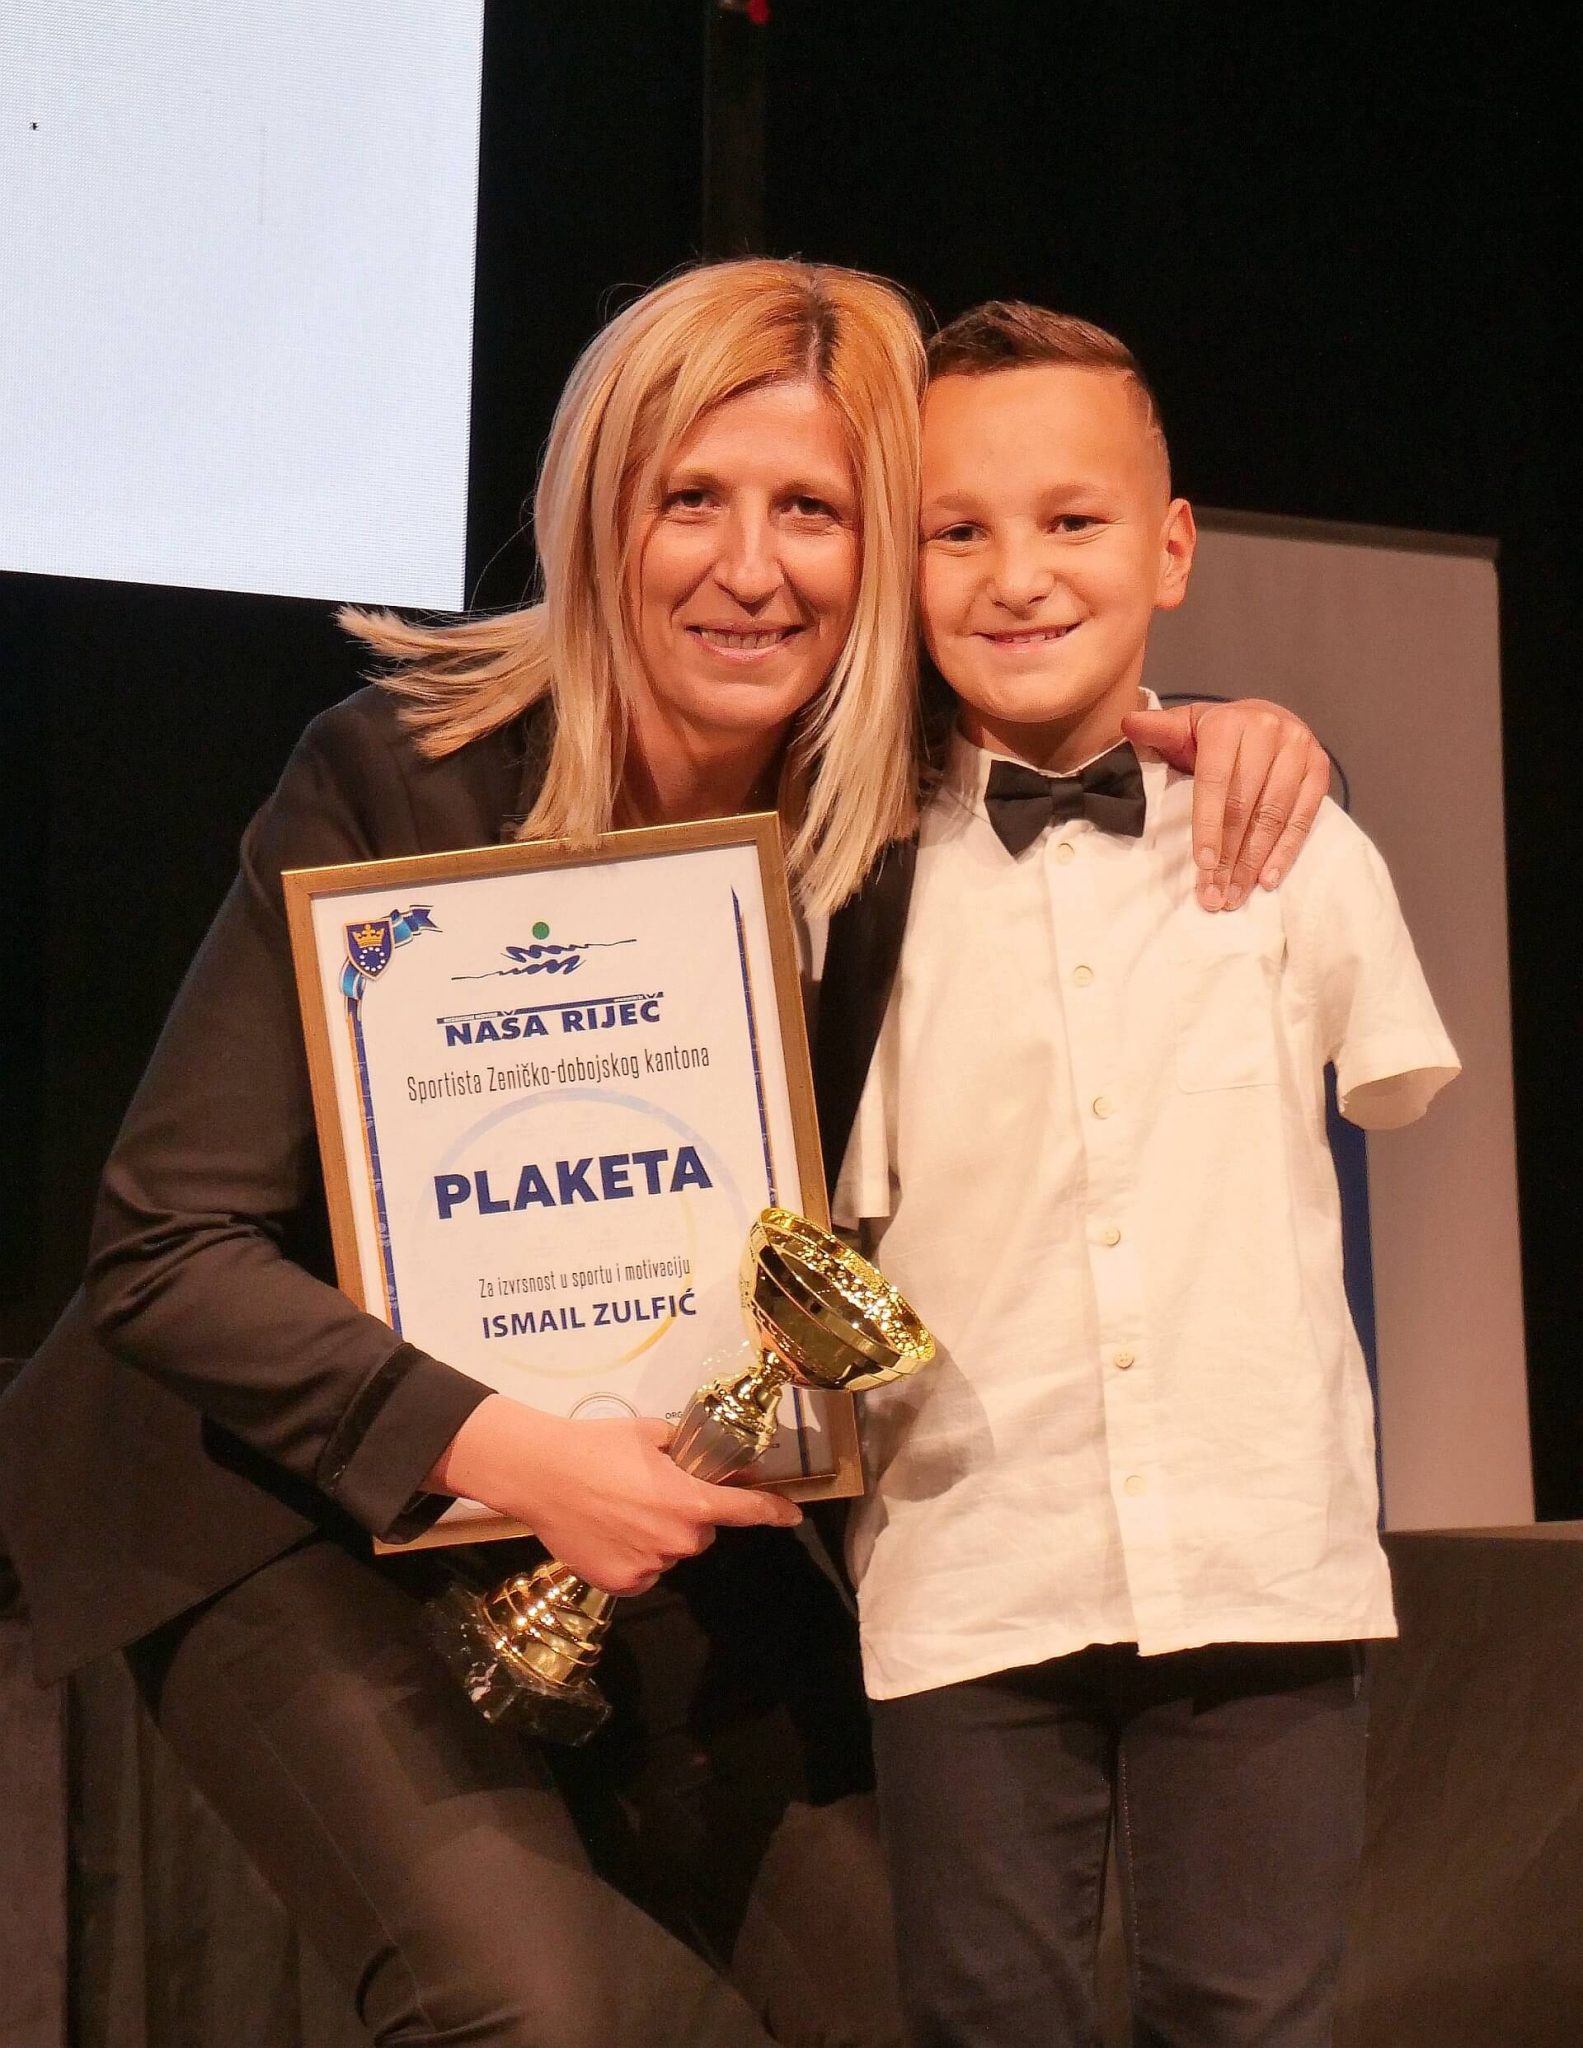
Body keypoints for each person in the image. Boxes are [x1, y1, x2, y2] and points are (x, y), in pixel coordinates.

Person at [0, 262, 1329, 2048]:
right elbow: (166, 1247)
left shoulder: (901, 824)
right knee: (532, 2007)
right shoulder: (409, 771)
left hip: (670, 1495)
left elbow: (1109, 773)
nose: (749, 568)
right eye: (689, 498)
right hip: (283, 1485)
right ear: (595, 513)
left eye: (813, 511)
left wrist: (1245, 737)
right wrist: (518, 1455)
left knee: (945, 1993)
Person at [826, 300, 1462, 2048]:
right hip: (972, 1562)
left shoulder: (1293, 839)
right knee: (986, 2021)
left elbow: (1387, 1083)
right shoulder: (852, 885)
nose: (1018, 574)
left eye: (1072, 519)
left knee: (1251, 2017)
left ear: (1171, 548)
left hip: (1258, 1552)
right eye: (958, 530)